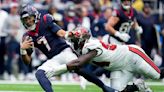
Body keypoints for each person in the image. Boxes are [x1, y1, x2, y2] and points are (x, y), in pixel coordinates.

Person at [19, 5, 116, 92]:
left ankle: (104, 87)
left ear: (35, 16)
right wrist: (22, 50)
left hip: (65, 51)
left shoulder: (45, 20)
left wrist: (68, 34)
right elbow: (27, 61)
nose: (28, 21)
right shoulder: (27, 36)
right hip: (53, 59)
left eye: (29, 18)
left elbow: (60, 32)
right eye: (25, 20)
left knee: (79, 68)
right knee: (39, 74)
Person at [66, 26, 164, 92]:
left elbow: (78, 64)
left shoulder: (91, 45)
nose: (74, 41)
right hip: (118, 67)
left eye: (76, 39)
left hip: (132, 56)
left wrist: (61, 67)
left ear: (83, 39)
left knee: (157, 75)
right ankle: (138, 86)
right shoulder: (82, 48)